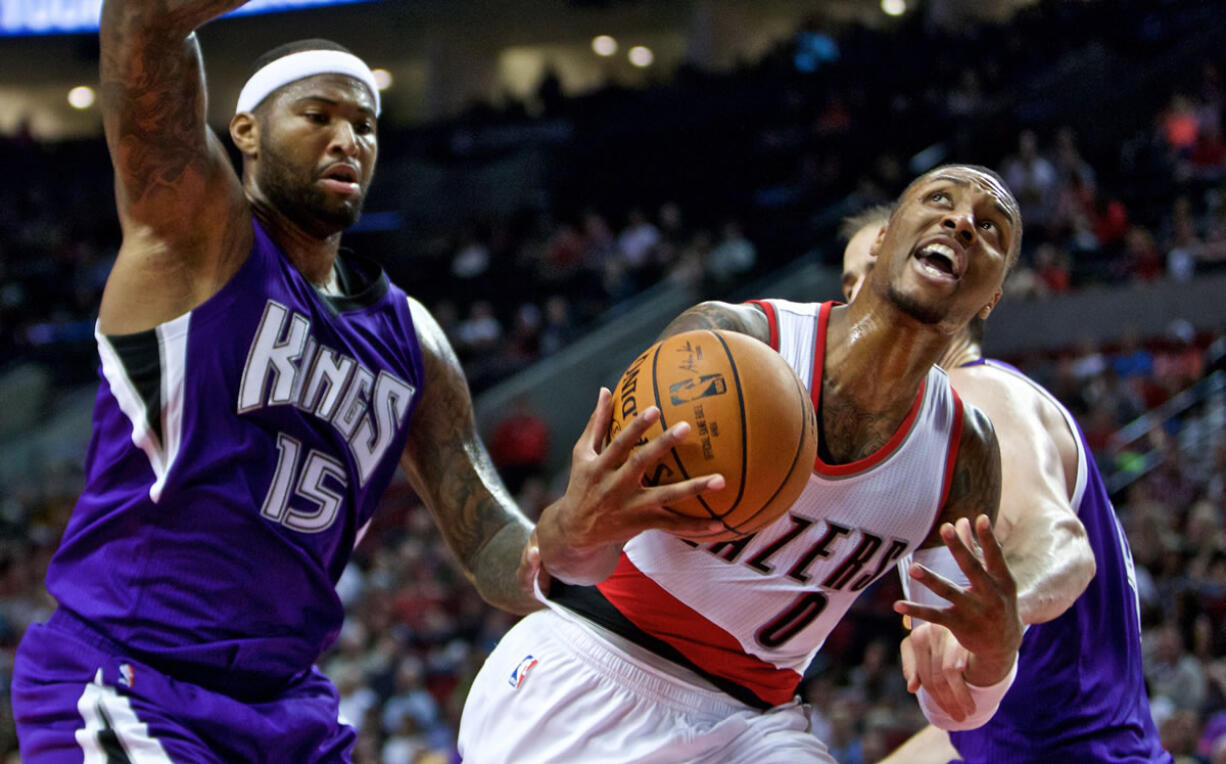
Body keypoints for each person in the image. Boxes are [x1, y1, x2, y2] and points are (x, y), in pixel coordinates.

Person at [11, 3, 720, 760]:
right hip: (130, 675)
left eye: (367, 124)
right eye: (316, 114)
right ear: (244, 131)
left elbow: (488, 543)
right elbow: (141, 28)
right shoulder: (194, 238)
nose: (347, 138)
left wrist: (567, 540)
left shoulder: (412, 338)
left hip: (289, 709)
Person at [459, 164, 1028, 762]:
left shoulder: (965, 451)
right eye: (940, 198)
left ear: (991, 297)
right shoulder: (729, 340)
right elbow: (564, 556)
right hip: (598, 664)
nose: (962, 222)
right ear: (883, 239)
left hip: (755, 723)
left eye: (991, 228)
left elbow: (954, 708)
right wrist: (575, 527)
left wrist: (994, 657)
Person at [841, 207, 1170, 762]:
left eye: (877, 266)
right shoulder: (934, 430)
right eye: (848, 284)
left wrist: (996, 616)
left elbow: (1061, 546)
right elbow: (976, 728)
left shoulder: (980, 397)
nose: (858, 297)